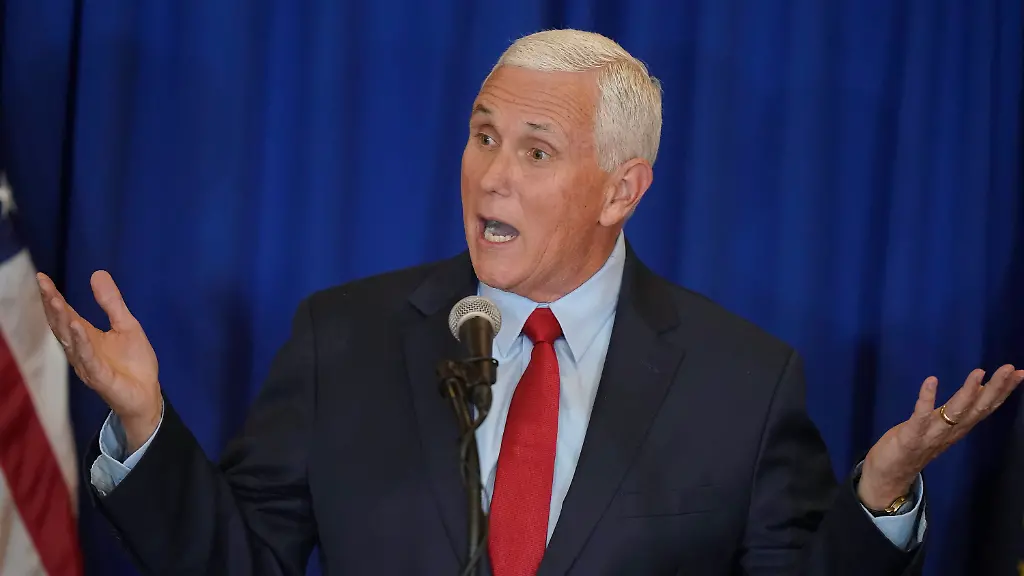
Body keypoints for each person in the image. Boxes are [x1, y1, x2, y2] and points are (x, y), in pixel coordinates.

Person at [37, 29, 1022, 576]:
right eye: (482, 136)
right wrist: (145, 425)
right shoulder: (344, 338)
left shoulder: (742, 380)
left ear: (621, 190)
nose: (490, 176)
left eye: (535, 151)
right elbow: (239, 563)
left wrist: (878, 498)